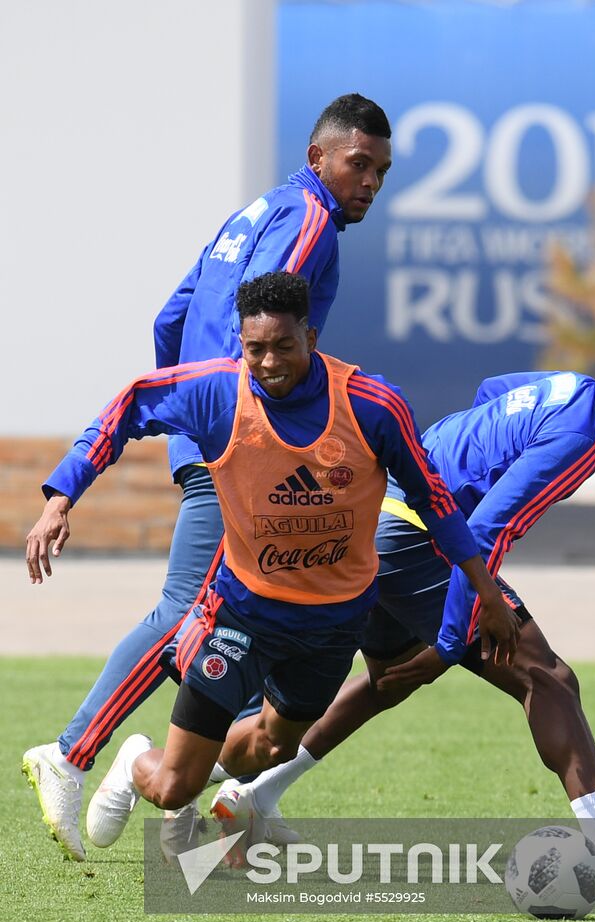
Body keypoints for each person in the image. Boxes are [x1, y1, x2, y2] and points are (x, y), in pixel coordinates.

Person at [25, 272, 520, 852]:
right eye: (254, 348)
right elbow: (129, 405)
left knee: (272, 748)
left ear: (311, 336)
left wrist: (486, 591)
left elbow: (433, 499)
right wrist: (61, 498)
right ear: (241, 342)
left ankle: (190, 771)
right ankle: (140, 762)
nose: (268, 363)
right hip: (241, 614)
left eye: (283, 346)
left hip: (334, 625)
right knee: (171, 788)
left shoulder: (370, 405)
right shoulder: (216, 392)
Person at [22, 93, 394, 862]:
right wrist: (234, 419)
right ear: (319, 156)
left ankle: (218, 804)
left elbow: (174, 311)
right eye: (359, 164)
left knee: (260, 603)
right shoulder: (311, 223)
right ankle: (75, 752)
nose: (370, 182)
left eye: (381, 171)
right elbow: (261, 322)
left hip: (216, 425)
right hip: (243, 438)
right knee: (191, 607)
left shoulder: (259, 207)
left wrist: (184, 404)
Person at [211, 327, 595, 884]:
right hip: (418, 534)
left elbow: (494, 390)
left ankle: (249, 794)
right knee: (548, 678)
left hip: (378, 514)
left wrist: (466, 452)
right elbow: (488, 530)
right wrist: (450, 639)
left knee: (389, 679)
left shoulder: (566, 388)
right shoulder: (579, 436)